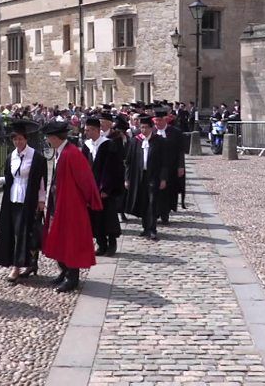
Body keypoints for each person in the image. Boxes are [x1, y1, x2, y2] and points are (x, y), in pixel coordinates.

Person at [41, 120, 103, 292]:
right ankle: (64, 271)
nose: (47, 140)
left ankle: (72, 277)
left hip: (70, 205)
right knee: (59, 237)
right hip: (58, 202)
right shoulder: (61, 152)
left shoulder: (72, 153)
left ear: (55, 138)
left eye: (48, 137)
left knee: (70, 240)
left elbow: (85, 180)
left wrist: (88, 201)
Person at [0, 120, 47, 283]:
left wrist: (41, 200)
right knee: (14, 232)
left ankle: (22, 265)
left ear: (26, 139)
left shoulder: (36, 157)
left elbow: (41, 181)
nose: (18, 142)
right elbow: (10, 177)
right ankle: (21, 264)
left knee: (26, 232)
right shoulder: (11, 156)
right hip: (12, 199)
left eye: (20, 139)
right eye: (15, 139)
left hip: (29, 199)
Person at [82, 117, 124, 256]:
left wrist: (105, 188)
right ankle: (101, 244)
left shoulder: (108, 144)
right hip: (91, 188)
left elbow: (111, 169)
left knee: (108, 216)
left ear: (96, 130)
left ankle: (112, 244)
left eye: (88, 130)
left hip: (104, 189)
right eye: (86, 130)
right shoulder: (86, 146)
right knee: (95, 217)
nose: (86, 132)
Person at [124, 115, 169, 241]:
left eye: (145, 127)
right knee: (143, 201)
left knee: (152, 202)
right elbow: (128, 161)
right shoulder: (135, 141)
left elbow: (165, 162)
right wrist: (127, 178)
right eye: (141, 127)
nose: (143, 130)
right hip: (139, 176)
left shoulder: (159, 141)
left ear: (151, 128)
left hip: (153, 175)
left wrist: (163, 178)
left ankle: (152, 229)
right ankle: (145, 228)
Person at [153, 109, 186, 214]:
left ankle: (166, 212)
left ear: (165, 120)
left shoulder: (175, 132)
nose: (157, 123)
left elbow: (181, 150)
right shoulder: (152, 131)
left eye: (160, 120)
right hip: (155, 167)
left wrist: (181, 166)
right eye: (156, 121)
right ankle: (156, 212)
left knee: (169, 190)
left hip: (171, 166)